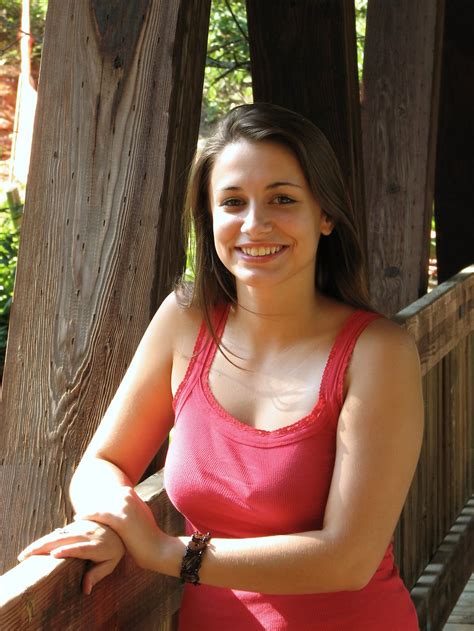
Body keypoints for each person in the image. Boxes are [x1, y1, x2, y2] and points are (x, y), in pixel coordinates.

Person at [18, 103, 424, 630]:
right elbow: (102, 463)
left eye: (282, 199)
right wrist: (111, 522)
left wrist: (167, 552)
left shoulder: (377, 353)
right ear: (209, 218)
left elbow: (348, 559)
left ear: (325, 214)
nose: (255, 224)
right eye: (233, 202)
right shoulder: (187, 321)